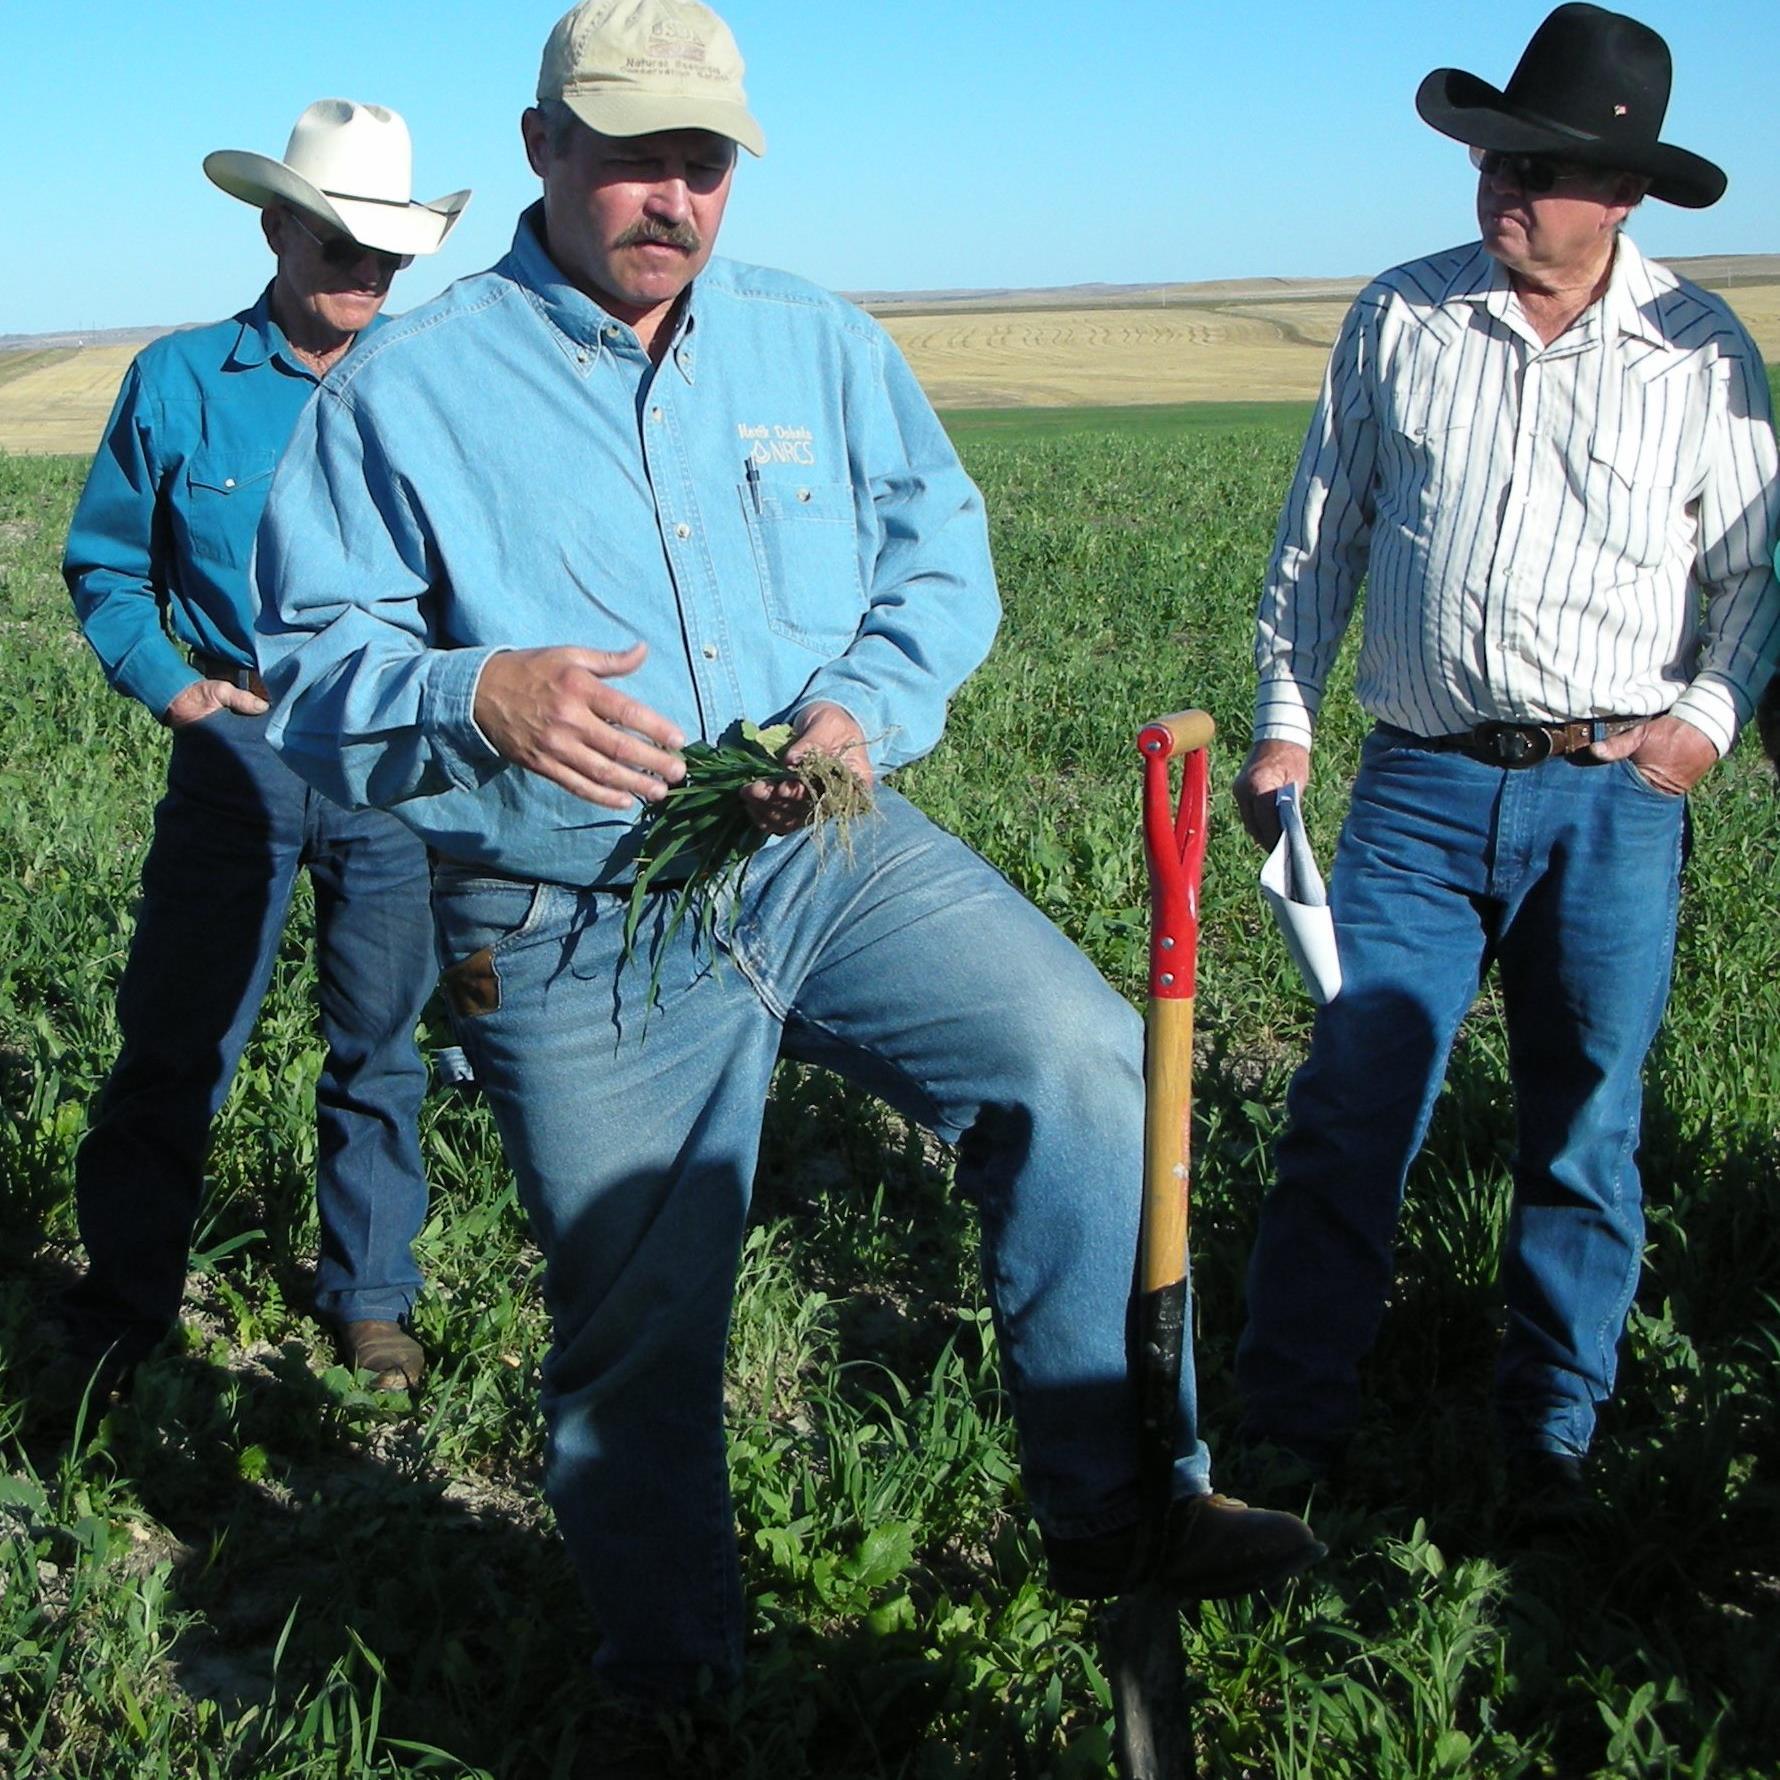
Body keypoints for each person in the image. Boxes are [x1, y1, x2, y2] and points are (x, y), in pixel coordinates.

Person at [252, 0, 1321, 1702]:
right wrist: (478, 691)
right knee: (642, 1328)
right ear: (543, 151)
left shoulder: (815, 344)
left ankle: (1127, 1507)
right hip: (568, 912)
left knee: (1083, 1066)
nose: (675, 199)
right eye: (634, 160)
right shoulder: (410, 391)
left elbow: (936, 561)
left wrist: (862, 714)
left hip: (829, 850)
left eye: (707, 164)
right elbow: (309, 666)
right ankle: (677, 1687)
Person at [1229, 5, 1780, 1511]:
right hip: (1416, 785)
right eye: (1496, 156)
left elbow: (1752, 576)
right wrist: (1287, 720)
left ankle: (1550, 1438)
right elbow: (1317, 541)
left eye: (1543, 167)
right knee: (1352, 1101)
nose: (1505, 188)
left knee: (1586, 1124)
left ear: (1627, 197)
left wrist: (1705, 725)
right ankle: (1287, 1428)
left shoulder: (1698, 354)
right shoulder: (1400, 318)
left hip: (1613, 798)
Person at [61, 101, 470, 1393]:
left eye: (388, 255)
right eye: (341, 243)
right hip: (236, 757)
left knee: (382, 1046)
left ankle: (372, 1302)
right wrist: (180, 692)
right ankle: (128, 1306)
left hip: (392, 761)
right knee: (178, 1041)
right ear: (276, 226)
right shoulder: (179, 380)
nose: (365, 274)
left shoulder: (438, 383)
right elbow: (110, 565)